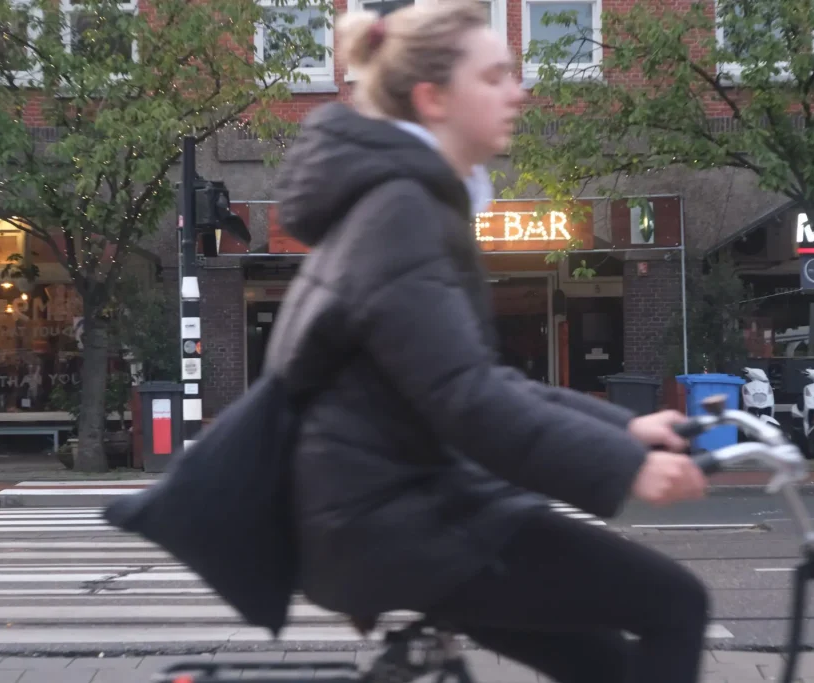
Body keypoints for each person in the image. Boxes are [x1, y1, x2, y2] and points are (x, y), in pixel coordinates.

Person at [265, 1, 710, 681]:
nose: (519, 91)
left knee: (607, 665)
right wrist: (626, 465)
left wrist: (627, 426)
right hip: (401, 520)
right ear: (433, 97)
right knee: (676, 602)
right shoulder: (401, 211)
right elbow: (465, 398)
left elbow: (482, 379)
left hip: (400, 508)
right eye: (496, 75)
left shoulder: (410, 200)